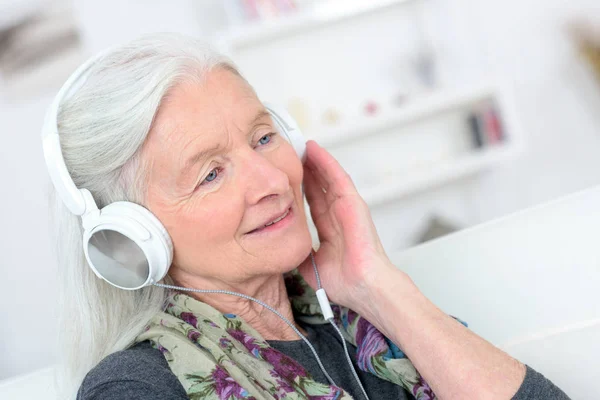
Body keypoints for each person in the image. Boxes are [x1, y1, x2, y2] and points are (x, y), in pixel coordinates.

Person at [45, 33, 570, 400]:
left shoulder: (369, 324)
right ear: (134, 238)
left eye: (263, 137)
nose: (274, 180)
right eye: (211, 174)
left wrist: (376, 285)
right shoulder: (137, 388)